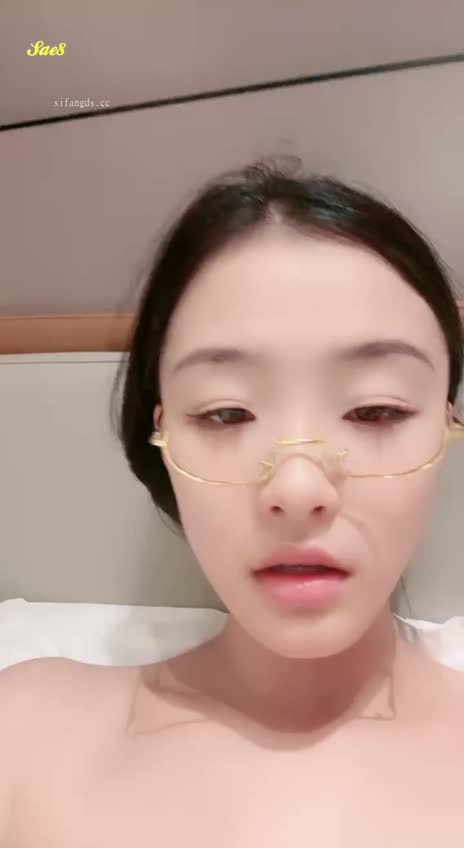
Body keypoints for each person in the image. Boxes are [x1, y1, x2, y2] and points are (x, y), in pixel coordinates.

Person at [1, 158, 464, 846]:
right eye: (225, 414)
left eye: (375, 411)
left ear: (446, 425)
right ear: (160, 435)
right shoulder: (26, 734)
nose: (298, 490)